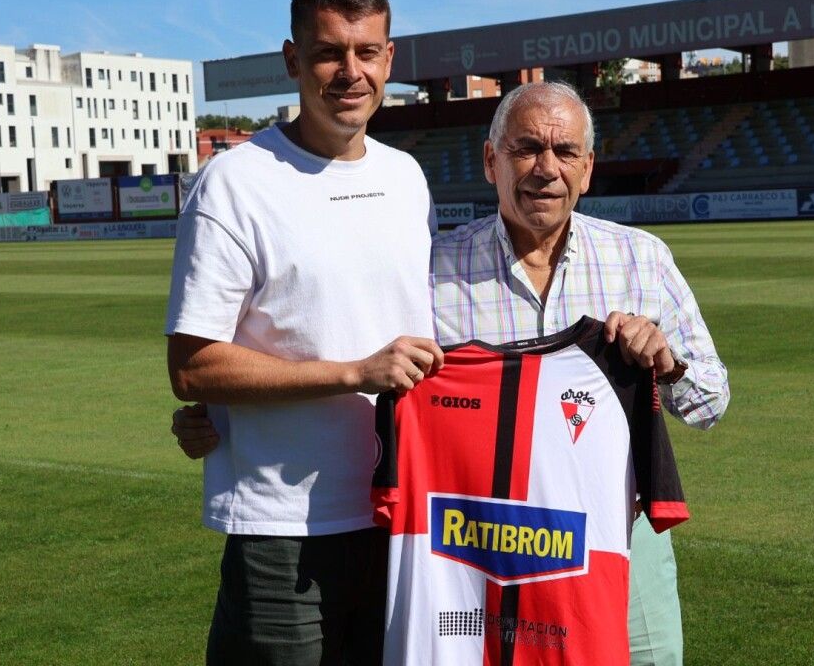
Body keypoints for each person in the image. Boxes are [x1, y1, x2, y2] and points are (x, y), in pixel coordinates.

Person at [175, 81, 730, 666]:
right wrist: (220, 413)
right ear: (491, 161)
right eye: (525, 149)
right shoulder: (433, 270)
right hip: (473, 544)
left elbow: (711, 401)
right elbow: (367, 371)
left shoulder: (641, 259)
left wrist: (668, 367)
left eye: (565, 152)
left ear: (588, 169)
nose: (546, 169)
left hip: (613, 537)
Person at [165, 0, 444, 666]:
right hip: (284, 530)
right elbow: (193, 364)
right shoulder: (234, 184)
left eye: (366, 51)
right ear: (293, 59)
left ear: (390, 59)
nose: (349, 72)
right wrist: (354, 372)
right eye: (328, 53)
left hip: (403, 516)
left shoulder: (407, 177)